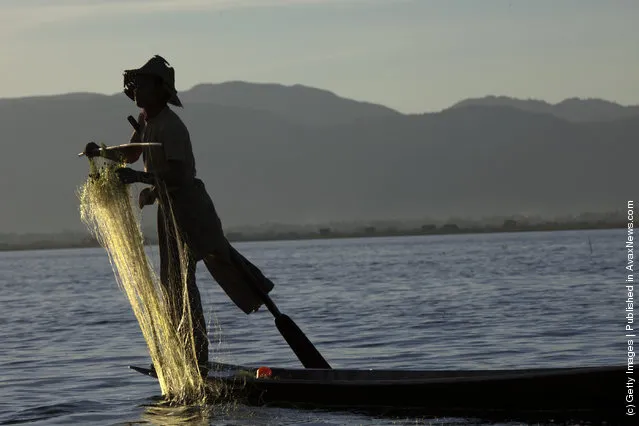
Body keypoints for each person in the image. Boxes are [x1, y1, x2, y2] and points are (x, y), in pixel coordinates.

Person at [83, 55, 274, 374]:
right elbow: (131, 154)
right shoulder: (146, 120)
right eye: (137, 85)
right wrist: (102, 154)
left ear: (160, 89)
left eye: (143, 84)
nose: (137, 90)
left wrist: (143, 180)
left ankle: (197, 358)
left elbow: (179, 174)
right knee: (174, 282)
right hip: (169, 211)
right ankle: (191, 355)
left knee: (194, 276)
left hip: (190, 210)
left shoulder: (171, 126)